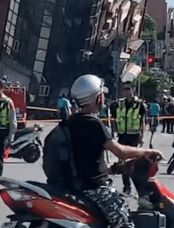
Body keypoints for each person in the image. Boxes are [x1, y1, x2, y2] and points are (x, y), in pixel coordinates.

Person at [65, 75, 162, 228]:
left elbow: (84, 158)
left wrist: (115, 168)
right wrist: (147, 152)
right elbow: (120, 152)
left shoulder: (68, 123)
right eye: (102, 94)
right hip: (95, 188)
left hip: (76, 184)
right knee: (125, 224)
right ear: (98, 98)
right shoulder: (93, 124)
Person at [112, 82, 147, 196]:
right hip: (122, 136)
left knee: (132, 164)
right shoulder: (119, 104)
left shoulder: (139, 104)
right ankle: (127, 187)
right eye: (124, 89)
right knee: (122, 163)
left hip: (134, 137)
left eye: (128, 89)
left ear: (133, 90)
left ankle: (139, 188)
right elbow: (115, 119)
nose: (125, 91)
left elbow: (142, 121)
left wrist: (142, 137)